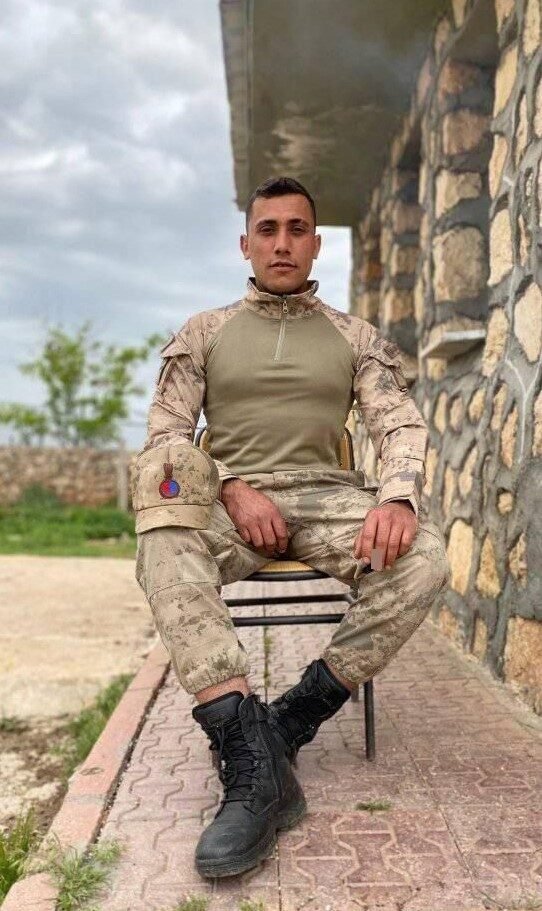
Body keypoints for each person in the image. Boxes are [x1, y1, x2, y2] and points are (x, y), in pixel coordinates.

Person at [133, 176, 450, 879]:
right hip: (232, 502)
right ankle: (248, 756)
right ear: (245, 244)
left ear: (315, 244)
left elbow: (398, 424)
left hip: (329, 497)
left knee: (424, 556)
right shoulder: (205, 332)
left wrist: (397, 498)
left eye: (296, 229)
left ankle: (288, 722)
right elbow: (166, 439)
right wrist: (230, 485)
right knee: (162, 536)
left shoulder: (354, 337)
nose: (282, 243)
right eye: (268, 229)